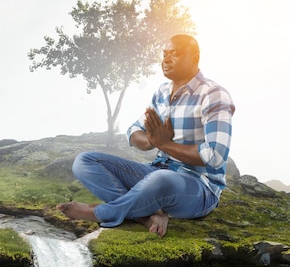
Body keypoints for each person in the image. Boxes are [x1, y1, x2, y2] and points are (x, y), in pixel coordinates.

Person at [57, 34, 235, 238]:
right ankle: (146, 216)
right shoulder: (163, 92)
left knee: (161, 179)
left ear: (195, 58)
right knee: (84, 162)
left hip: (199, 185)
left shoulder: (213, 95)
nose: (166, 59)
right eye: (165, 54)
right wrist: (152, 140)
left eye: (175, 54)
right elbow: (133, 132)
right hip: (156, 172)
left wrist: (164, 144)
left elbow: (215, 156)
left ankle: (101, 212)